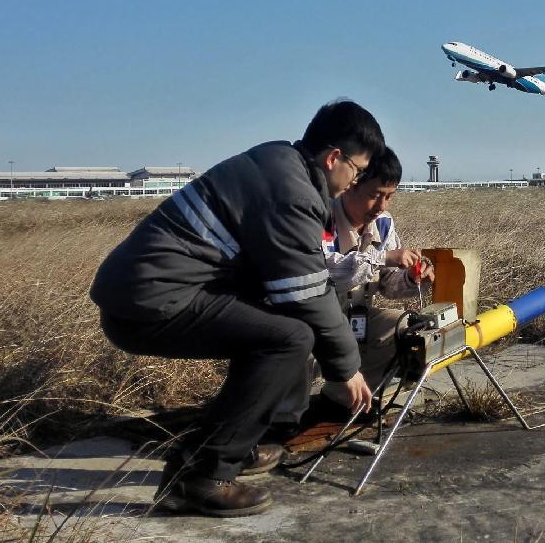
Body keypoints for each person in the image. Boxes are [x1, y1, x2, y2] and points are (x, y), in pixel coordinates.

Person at [89, 100, 384, 517]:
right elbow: (307, 294)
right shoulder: (292, 192)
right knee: (289, 338)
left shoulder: (279, 162)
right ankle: (203, 474)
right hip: (151, 302)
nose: (353, 181)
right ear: (334, 157)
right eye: (357, 170)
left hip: (149, 293)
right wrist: (347, 368)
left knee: (277, 329)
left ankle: (231, 447)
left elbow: (290, 286)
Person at [320, 146, 434, 405]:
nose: (381, 206)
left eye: (390, 196)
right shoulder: (323, 217)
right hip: (317, 322)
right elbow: (327, 269)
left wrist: (412, 279)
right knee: (298, 338)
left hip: (355, 319)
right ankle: (285, 414)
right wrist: (385, 257)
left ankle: (346, 399)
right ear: (351, 184)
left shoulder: (383, 224)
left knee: (406, 329)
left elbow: (388, 285)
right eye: (374, 195)